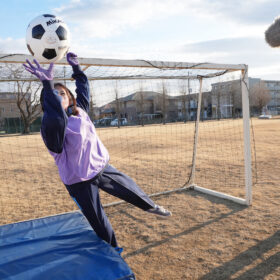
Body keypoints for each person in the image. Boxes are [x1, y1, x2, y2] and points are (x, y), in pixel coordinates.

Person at [23, 53, 171, 249]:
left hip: (101, 167)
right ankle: (113, 252)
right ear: (46, 102)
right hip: (79, 182)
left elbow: (83, 88)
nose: (59, 96)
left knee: (131, 188)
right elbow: (56, 122)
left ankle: (150, 207)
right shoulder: (50, 126)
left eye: (63, 93)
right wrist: (47, 85)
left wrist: (76, 70)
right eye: (53, 94)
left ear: (70, 99)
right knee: (99, 223)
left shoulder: (80, 110)